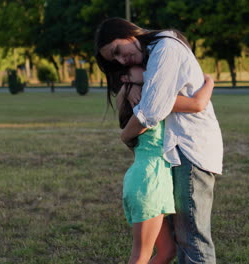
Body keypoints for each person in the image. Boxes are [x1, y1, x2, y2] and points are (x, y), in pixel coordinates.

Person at [96, 18, 223, 264]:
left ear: (128, 34)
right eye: (117, 63)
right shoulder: (147, 75)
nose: (122, 61)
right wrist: (209, 82)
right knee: (187, 240)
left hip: (183, 154)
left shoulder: (164, 49)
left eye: (118, 52)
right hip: (158, 171)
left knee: (182, 243)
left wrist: (126, 131)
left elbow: (160, 106)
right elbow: (165, 105)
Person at [116, 66, 215, 264]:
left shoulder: (135, 97)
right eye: (140, 68)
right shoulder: (151, 102)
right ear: (125, 76)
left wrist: (130, 86)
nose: (148, 68)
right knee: (140, 255)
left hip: (150, 178)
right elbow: (197, 103)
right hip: (149, 181)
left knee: (167, 251)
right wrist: (210, 81)